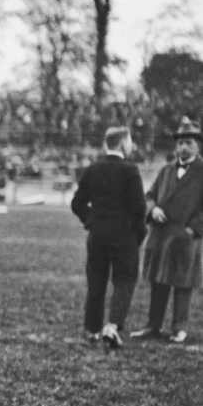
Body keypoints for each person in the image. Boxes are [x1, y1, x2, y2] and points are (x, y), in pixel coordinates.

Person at [70, 127, 147, 348]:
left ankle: (93, 330)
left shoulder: (93, 169)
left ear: (106, 144)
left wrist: (91, 221)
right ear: (124, 144)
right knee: (125, 280)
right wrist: (138, 235)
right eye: (130, 141)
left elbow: (77, 204)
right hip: (124, 236)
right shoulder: (130, 170)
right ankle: (112, 326)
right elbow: (139, 209)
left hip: (97, 235)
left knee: (96, 282)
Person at [131, 117, 203, 344]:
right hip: (161, 235)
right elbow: (149, 196)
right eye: (180, 142)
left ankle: (179, 327)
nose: (183, 147)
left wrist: (193, 230)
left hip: (185, 237)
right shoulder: (166, 170)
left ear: (198, 145)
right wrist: (152, 211)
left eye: (189, 142)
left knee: (183, 283)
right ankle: (153, 325)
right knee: (159, 281)